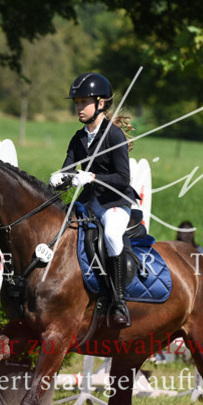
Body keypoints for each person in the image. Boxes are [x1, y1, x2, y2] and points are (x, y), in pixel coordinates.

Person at [50, 72, 137, 327]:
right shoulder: (78, 138)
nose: (78, 107)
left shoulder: (114, 136)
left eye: (83, 102)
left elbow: (122, 178)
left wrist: (92, 177)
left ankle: (119, 301)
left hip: (115, 203)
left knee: (111, 235)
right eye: (76, 102)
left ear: (100, 103)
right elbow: (68, 168)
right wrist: (58, 178)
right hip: (88, 204)